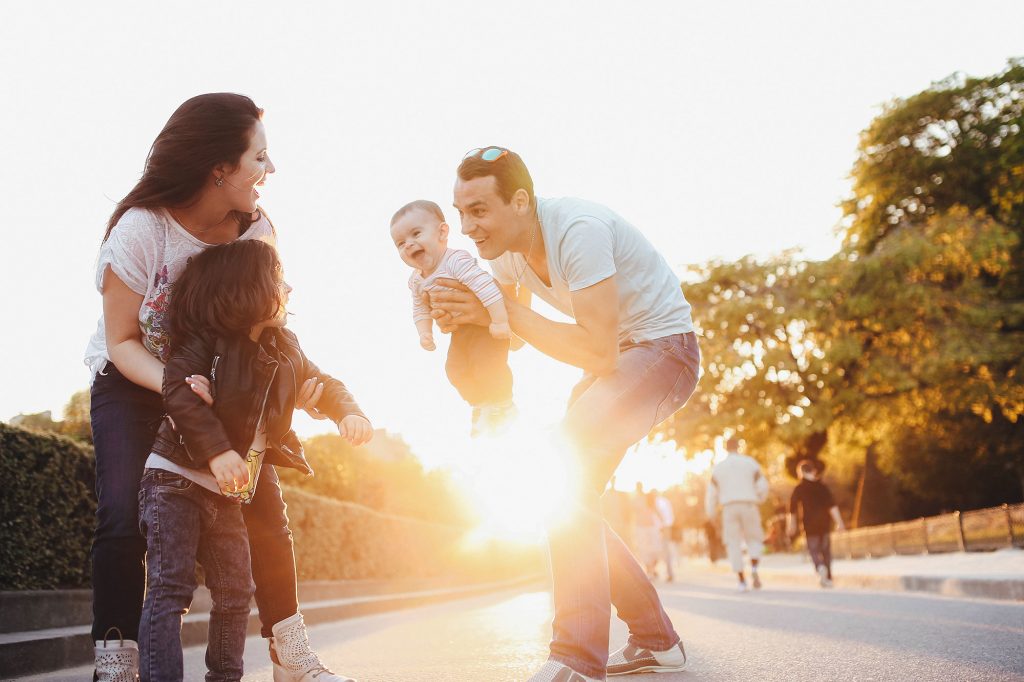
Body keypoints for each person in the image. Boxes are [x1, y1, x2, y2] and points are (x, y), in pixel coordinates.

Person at [84, 93, 368, 682]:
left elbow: (268, 325)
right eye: (259, 158)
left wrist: (306, 391)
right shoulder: (140, 232)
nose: (270, 171)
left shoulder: (256, 229)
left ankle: (290, 656)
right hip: (137, 379)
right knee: (120, 515)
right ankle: (116, 662)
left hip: (227, 382)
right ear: (220, 168)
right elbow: (122, 341)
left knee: (265, 512)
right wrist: (182, 391)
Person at [426, 146, 699, 680]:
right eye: (460, 213)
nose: (468, 227)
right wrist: (467, 323)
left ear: (521, 201)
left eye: (479, 210)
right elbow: (511, 335)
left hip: (664, 350)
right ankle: (656, 640)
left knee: (559, 465)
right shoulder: (502, 254)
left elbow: (596, 350)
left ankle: (576, 659)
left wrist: (500, 311)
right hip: (617, 362)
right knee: (573, 500)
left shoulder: (579, 229)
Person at [138, 240, 370, 681]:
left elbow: (324, 381)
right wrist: (218, 450)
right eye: (278, 278)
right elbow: (179, 395)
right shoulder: (207, 341)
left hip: (228, 491)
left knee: (235, 592)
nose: (288, 287)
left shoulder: (287, 345)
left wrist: (349, 411)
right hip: (175, 479)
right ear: (246, 288)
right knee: (171, 588)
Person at [389, 199, 515, 435]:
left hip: (486, 328)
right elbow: (420, 309)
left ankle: (503, 404)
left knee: (487, 366)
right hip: (460, 331)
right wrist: (424, 333)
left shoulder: (456, 261)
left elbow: (486, 286)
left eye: (416, 233)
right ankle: (480, 404)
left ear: (442, 232)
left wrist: (499, 321)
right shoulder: (416, 280)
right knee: (454, 370)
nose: (409, 244)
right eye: (400, 243)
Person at [705, 437, 769, 592]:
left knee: (733, 542)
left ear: (725, 448)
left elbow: (711, 495)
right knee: (754, 538)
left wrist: (711, 514)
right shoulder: (749, 463)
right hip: (748, 504)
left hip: (729, 507)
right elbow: (762, 485)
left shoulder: (719, 468)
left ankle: (741, 580)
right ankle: (753, 567)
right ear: (738, 447)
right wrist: (759, 498)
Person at [788, 459, 844, 587]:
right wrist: (840, 522)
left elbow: (792, 509)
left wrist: (792, 525)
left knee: (813, 550)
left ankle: (820, 568)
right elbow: (832, 506)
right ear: (813, 471)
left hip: (809, 525)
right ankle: (828, 577)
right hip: (824, 524)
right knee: (826, 551)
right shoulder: (822, 487)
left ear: (800, 473)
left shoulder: (799, 488)